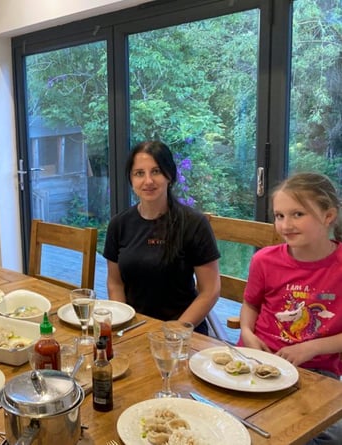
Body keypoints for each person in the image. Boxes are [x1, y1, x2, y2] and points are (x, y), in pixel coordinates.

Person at [239, 172, 342, 445]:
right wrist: (248, 332)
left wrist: (311, 348)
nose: (285, 225)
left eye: (297, 214)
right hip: (257, 359)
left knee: (326, 437)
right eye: (279, 215)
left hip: (317, 373)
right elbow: (250, 304)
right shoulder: (264, 260)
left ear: (328, 216)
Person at [103, 140, 221, 334]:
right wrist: (122, 321)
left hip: (184, 331)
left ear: (170, 176)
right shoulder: (119, 225)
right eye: (139, 173)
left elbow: (210, 290)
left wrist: (177, 330)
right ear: (131, 179)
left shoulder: (194, 224)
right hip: (136, 327)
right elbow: (115, 283)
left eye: (156, 171)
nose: (148, 181)